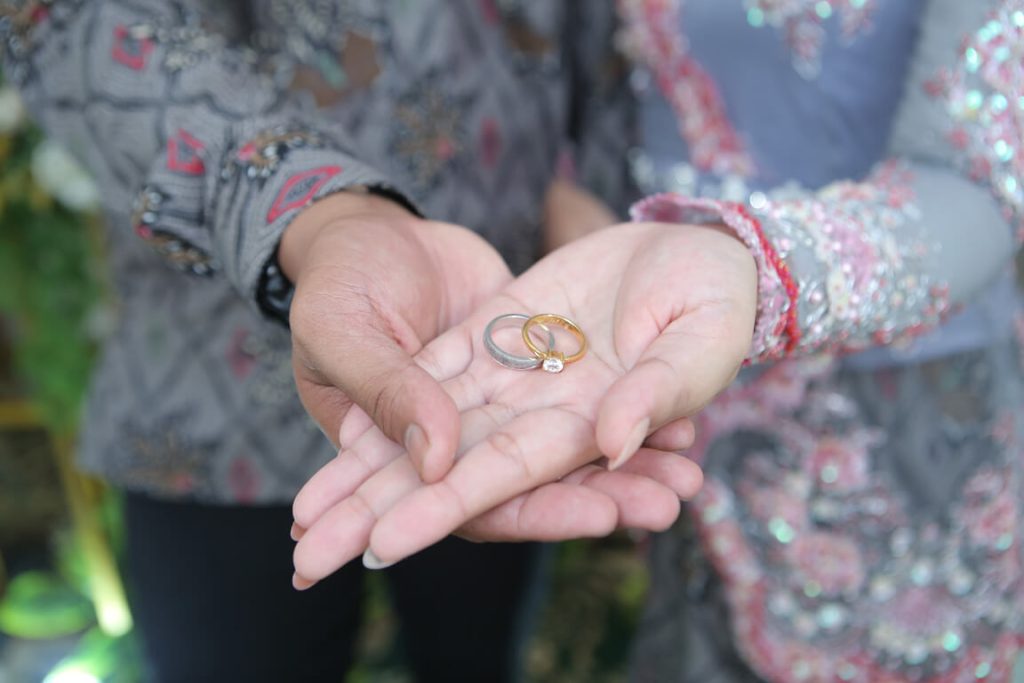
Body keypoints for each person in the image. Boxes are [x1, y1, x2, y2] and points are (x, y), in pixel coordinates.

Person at [290, 0, 1024, 681]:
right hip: (642, 370)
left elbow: (977, 182)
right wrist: (566, 187)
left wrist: (755, 263)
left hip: (888, 409)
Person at [1, 1, 701, 680]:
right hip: (218, 384)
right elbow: (70, 22)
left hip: (504, 374)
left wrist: (591, 203)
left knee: (472, 652)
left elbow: (603, 61)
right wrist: (322, 212)